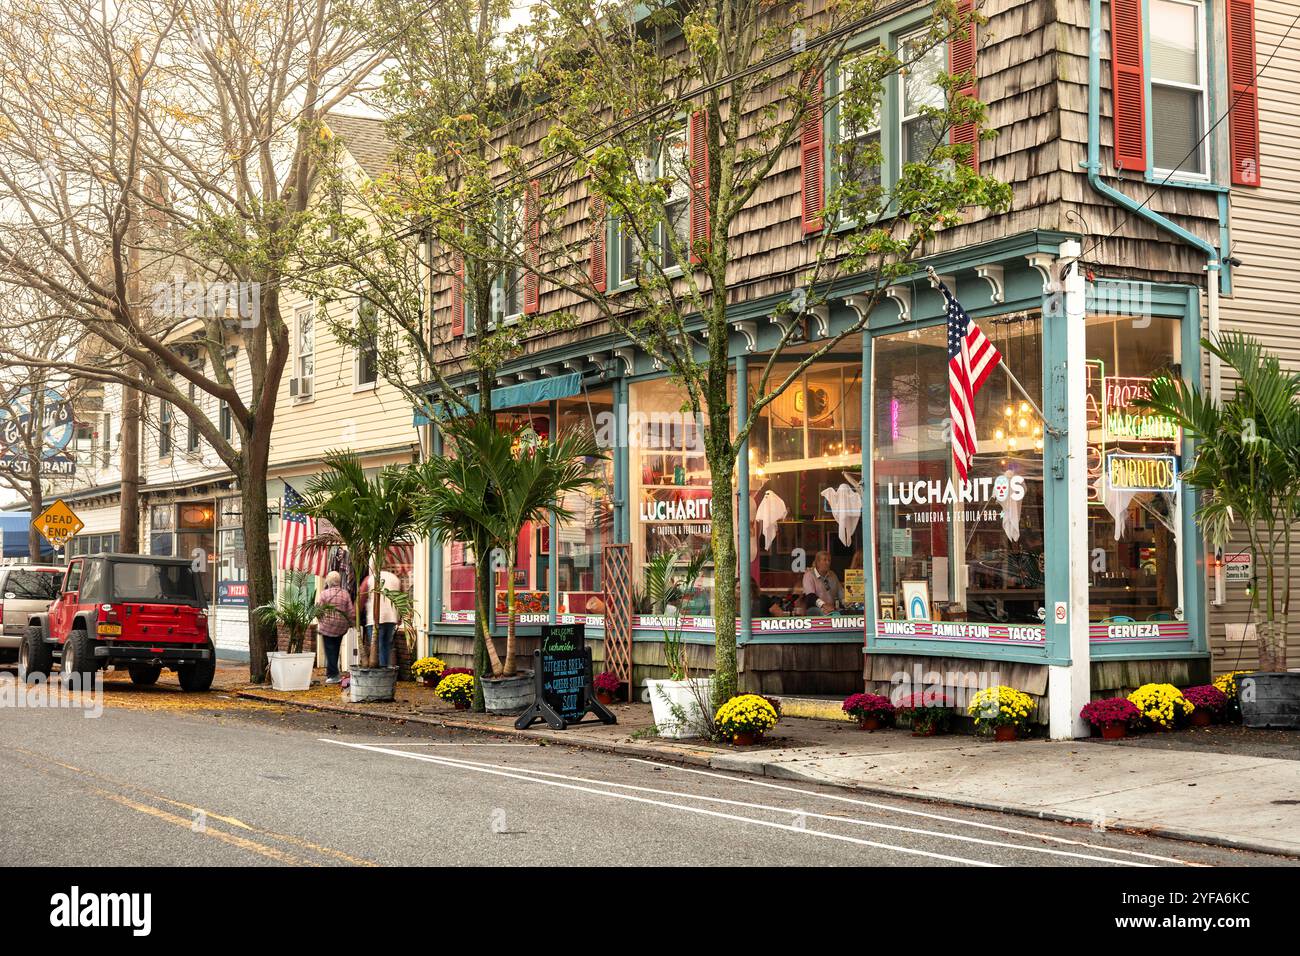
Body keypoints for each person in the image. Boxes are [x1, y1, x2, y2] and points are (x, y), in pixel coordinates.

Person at [316, 571, 354, 684]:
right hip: (341, 627)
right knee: (335, 649)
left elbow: (318, 610)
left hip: (327, 626)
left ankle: (333, 675)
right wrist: (350, 623)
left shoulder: (324, 594)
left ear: (328, 581)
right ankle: (332, 672)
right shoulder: (345, 594)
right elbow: (351, 611)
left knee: (329, 650)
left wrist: (321, 620)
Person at [359, 566, 402, 668]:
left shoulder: (370, 579)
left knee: (376, 647)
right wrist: (399, 616)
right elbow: (401, 599)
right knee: (386, 645)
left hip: (374, 619)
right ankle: (385, 668)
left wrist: (356, 614)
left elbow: (361, 597)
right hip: (391, 618)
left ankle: (380, 671)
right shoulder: (395, 579)